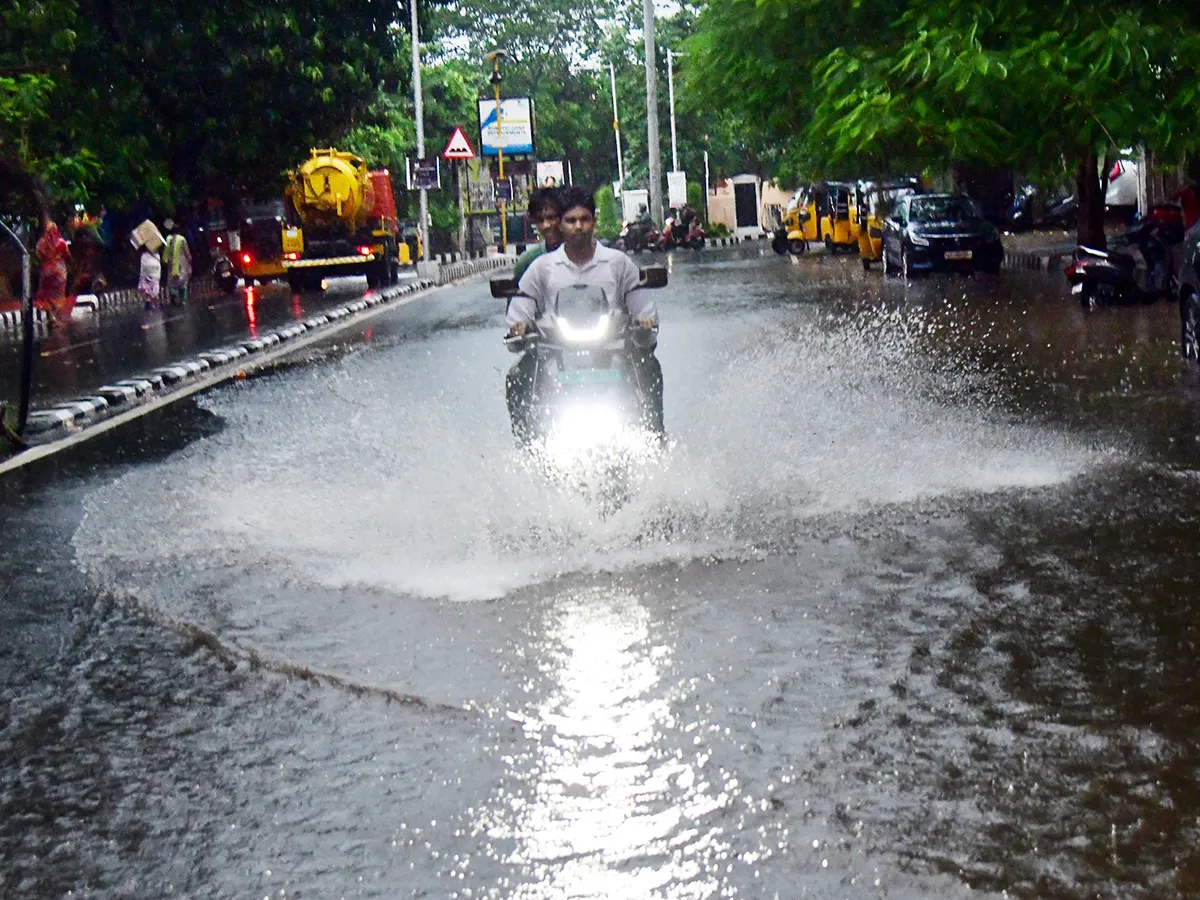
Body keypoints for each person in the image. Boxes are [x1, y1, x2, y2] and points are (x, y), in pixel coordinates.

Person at [507, 185, 664, 440]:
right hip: (557, 356)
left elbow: (641, 305)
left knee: (649, 367)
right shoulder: (541, 268)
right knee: (517, 376)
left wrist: (644, 321)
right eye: (571, 220)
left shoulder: (618, 263)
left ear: (594, 221)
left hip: (613, 351)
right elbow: (520, 309)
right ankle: (527, 444)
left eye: (584, 219)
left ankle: (655, 435)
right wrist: (519, 326)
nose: (578, 226)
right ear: (561, 224)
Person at [513, 188, 565, 282]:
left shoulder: (584, 255)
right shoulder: (528, 261)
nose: (546, 225)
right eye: (540, 220)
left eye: (551, 218)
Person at [34, 218, 74, 329]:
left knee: (47, 295)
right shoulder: (61, 242)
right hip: (59, 271)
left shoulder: (41, 242)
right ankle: (56, 317)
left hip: (46, 271)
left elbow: (38, 255)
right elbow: (67, 255)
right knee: (58, 295)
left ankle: (51, 317)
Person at [161, 218, 193, 304]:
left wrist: (166, 261)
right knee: (183, 282)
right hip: (181, 262)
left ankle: (174, 294)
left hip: (171, 263)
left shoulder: (168, 239)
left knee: (172, 281)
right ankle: (183, 300)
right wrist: (189, 259)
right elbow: (187, 252)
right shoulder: (182, 239)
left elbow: (165, 254)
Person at [137, 238, 163, 310]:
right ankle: (153, 304)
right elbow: (159, 266)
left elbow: (142, 267)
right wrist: (159, 276)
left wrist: (141, 277)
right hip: (154, 275)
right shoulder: (157, 255)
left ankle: (149, 303)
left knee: (147, 289)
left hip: (147, 275)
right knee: (154, 289)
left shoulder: (144, 255)